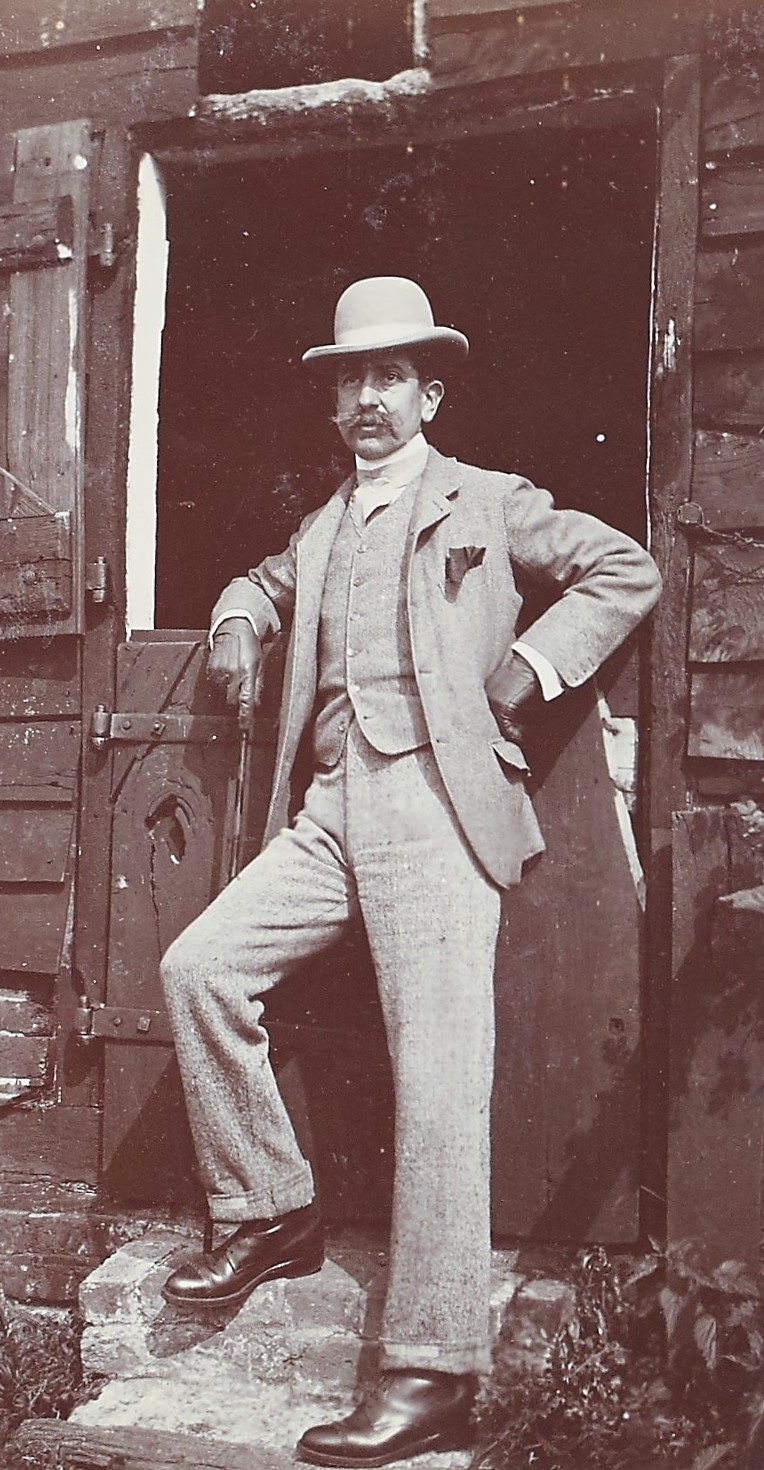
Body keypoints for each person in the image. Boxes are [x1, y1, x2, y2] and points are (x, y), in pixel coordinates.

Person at [158, 276, 661, 1468]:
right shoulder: (320, 527)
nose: (367, 399)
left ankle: (432, 1369)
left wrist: (530, 667)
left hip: (438, 807)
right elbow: (260, 585)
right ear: (331, 402)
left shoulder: (485, 499)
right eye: (349, 380)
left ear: (429, 395)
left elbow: (623, 570)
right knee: (200, 970)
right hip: (332, 806)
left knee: (436, 1080)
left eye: (389, 378)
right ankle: (269, 1209)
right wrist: (236, 623)